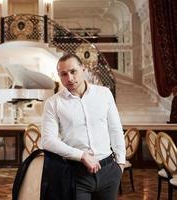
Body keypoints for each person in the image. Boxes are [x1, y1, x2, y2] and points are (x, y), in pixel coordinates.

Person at [41, 54, 126, 200]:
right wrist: (82, 156)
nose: (69, 78)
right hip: (75, 173)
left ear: (83, 69)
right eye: (63, 74)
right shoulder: (53, 103)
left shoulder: (104, 94)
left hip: (108, 171)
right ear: (59, 76)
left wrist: (120, 163)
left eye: (73, 71)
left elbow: (115, 129)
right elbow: (48, 140)